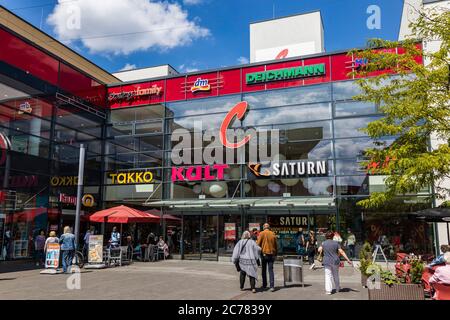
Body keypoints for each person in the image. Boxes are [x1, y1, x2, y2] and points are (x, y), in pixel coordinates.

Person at [318, 231, 353, 295]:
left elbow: (319, 250)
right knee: (336, 275)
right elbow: (341, 251)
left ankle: (328, 291)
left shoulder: (323, 243)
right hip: (335, 261)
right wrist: (348, 259)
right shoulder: (336, 243)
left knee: (328, 275)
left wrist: (322, 249)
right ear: (332, 236)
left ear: (326, 236)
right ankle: (337, 288)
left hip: (327, 261)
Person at [256, 223, 277, 292]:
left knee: (264, 270)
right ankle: (272, 286)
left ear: (263, 227)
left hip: (264, 254)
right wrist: (275, 254)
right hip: (271, 254)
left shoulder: (262, 233)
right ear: (269, 227)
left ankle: (264, 285)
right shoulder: (273, 234)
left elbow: (258, 244)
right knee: (271, 270)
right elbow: (276, 245)